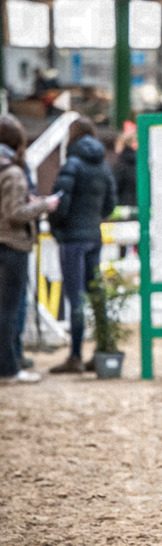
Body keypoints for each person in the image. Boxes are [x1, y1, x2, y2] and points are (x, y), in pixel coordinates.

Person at [49, 117, 117, 374]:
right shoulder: (103, 164)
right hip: (93, 236)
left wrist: (57, 228)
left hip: (72, 239)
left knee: (75, 298)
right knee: (97, 295)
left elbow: (60, 204)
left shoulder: (72, 163)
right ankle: (104, 350)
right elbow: (110, 204)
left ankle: (75, 356)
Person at [0, 115, 60, 384]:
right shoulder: (12, 172)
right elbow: (14, 214)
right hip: (12, 245)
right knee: (9, 311)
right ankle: (8, 369)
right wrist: (43, 205)